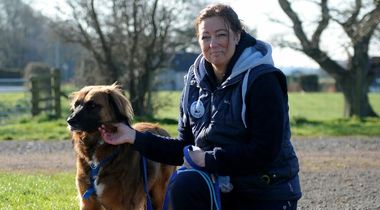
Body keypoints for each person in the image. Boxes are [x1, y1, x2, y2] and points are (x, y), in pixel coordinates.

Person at [99, 3, 301, 210]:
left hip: (264, 190)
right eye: (205, 37)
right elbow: (184, 148)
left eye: (221, 35)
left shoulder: (263, 81)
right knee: (183, 184)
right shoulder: (194, 82)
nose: (213, 44)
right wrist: (131, 136)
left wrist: (208, 159)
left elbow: (265, 151)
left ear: (238, 35)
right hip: (216, 186)